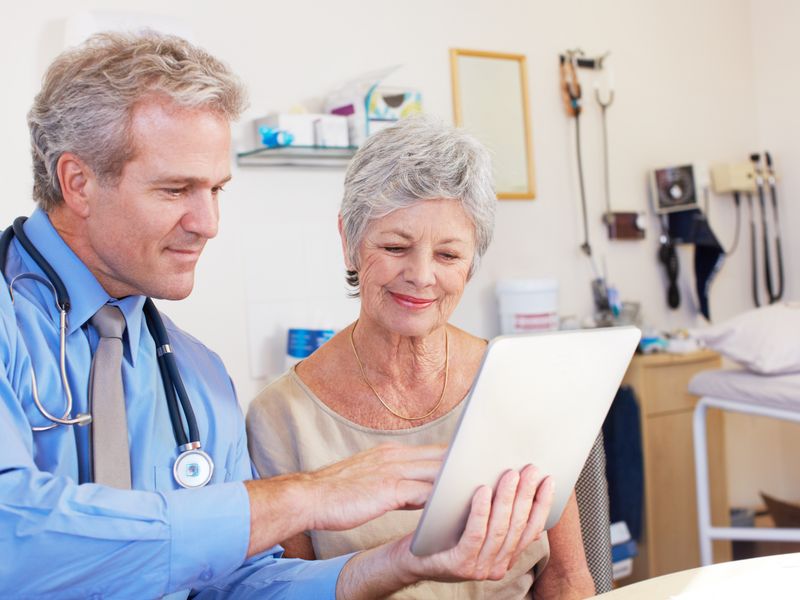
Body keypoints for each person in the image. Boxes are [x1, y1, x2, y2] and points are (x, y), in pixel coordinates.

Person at [0, 32, 556, 599]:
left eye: (216, 188)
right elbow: (12, 538)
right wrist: (306, 495)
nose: (208, 222)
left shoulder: (197, 379)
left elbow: (244, 585)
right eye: (176, 190)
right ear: (78, 182)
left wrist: (403, 562)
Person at [247, 116, 597, 599]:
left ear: (472, 262)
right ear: (349, 241)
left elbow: (566, 577)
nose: (421, 275)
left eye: (449, 256)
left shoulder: (519, 383)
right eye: (395, 246)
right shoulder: (281, 417)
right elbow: (285, 591)